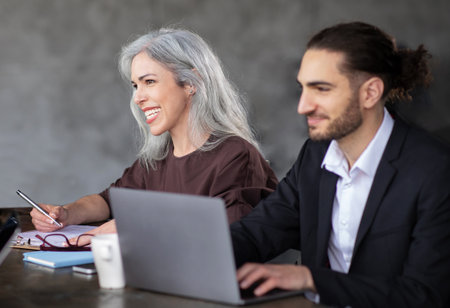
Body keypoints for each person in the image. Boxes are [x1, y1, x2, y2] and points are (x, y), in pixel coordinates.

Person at [232, 22, 450, 307]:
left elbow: (425, 295)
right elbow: (259, 230)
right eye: (303, 88)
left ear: (370, 92)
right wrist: (196, 253)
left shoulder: (435, 169)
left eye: (321, 89)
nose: (303, 106)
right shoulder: (315, 154)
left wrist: (310, 279)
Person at [30, 28, 278, 245]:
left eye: (149, 81)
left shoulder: (236, 156)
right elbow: (110, 201)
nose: (138, 97)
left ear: (192, 83)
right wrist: (68, 213)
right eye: (136, 85)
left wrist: (136, 229)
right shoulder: (157, 159)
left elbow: (230, 240)